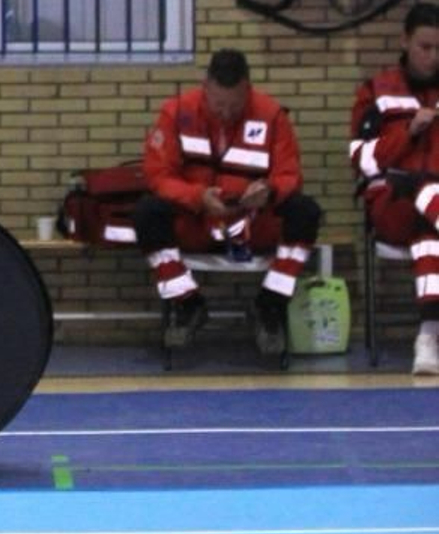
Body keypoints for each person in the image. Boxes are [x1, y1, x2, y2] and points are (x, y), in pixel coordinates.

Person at [132, 48, 322, 357]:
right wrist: (196, 197)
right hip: (196, 222)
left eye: (235, 105)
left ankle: (269, 306)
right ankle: (187, 303)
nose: (226, 112)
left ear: (248, 89)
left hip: (251, 224)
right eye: (218, 104)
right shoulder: (176, 113)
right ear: (205, 86)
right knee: (147, 213)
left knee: (306, 212)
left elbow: (289, 175)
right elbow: (157, 174)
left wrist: (269, 191)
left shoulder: (272, 115)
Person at [350, 3, 439, 375]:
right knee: (421, 195)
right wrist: (408, 132)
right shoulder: (376, 91)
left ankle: (428, 336)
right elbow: (363, 160)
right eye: (425, 47)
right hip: (392, 203)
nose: (433, 57)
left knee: (431, 240)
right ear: (405, 41)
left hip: (431, 215)